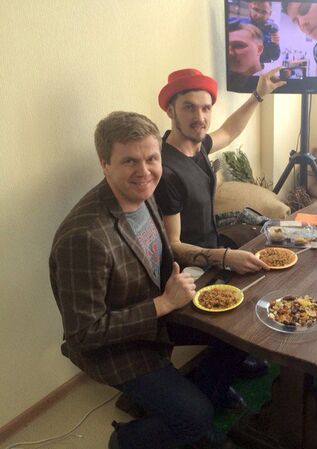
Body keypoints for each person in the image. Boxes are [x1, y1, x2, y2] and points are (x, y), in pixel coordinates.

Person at [50, 111, 243, 449]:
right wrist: (163, 304)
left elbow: (166, 251)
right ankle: (126, 439)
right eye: (129, 161)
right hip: (117, 347)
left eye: (152, 158)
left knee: (237, 332)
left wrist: (225, 258)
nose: (144, 171)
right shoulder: (83, 237)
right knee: (195, 417)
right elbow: (83, 335)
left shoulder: (146, 191)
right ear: (105, 164)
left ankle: (203, 398)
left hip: (160, 316)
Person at [154, 67, 285, 376]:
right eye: (189, 108)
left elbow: (228, 131)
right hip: (186, 269)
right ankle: (214, 384)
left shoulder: (196, 144)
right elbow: (173, 245)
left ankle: (234, 358)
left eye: (205, 108)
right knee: (244, 315)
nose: (200, 117)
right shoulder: (166, 170)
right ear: (170, 110)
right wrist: (226, 257)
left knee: (267, 276)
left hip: (213, 245)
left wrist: (258, 95)